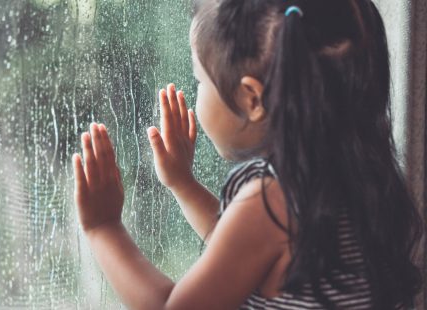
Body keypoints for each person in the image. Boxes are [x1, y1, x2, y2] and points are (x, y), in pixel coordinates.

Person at [72, 0, 423, 309]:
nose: (197, 92)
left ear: (252, 99)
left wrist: (104, 227)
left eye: (199, 81)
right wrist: (183, 184)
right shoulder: (352, 178)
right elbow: (241, 257)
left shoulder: (274, 198)